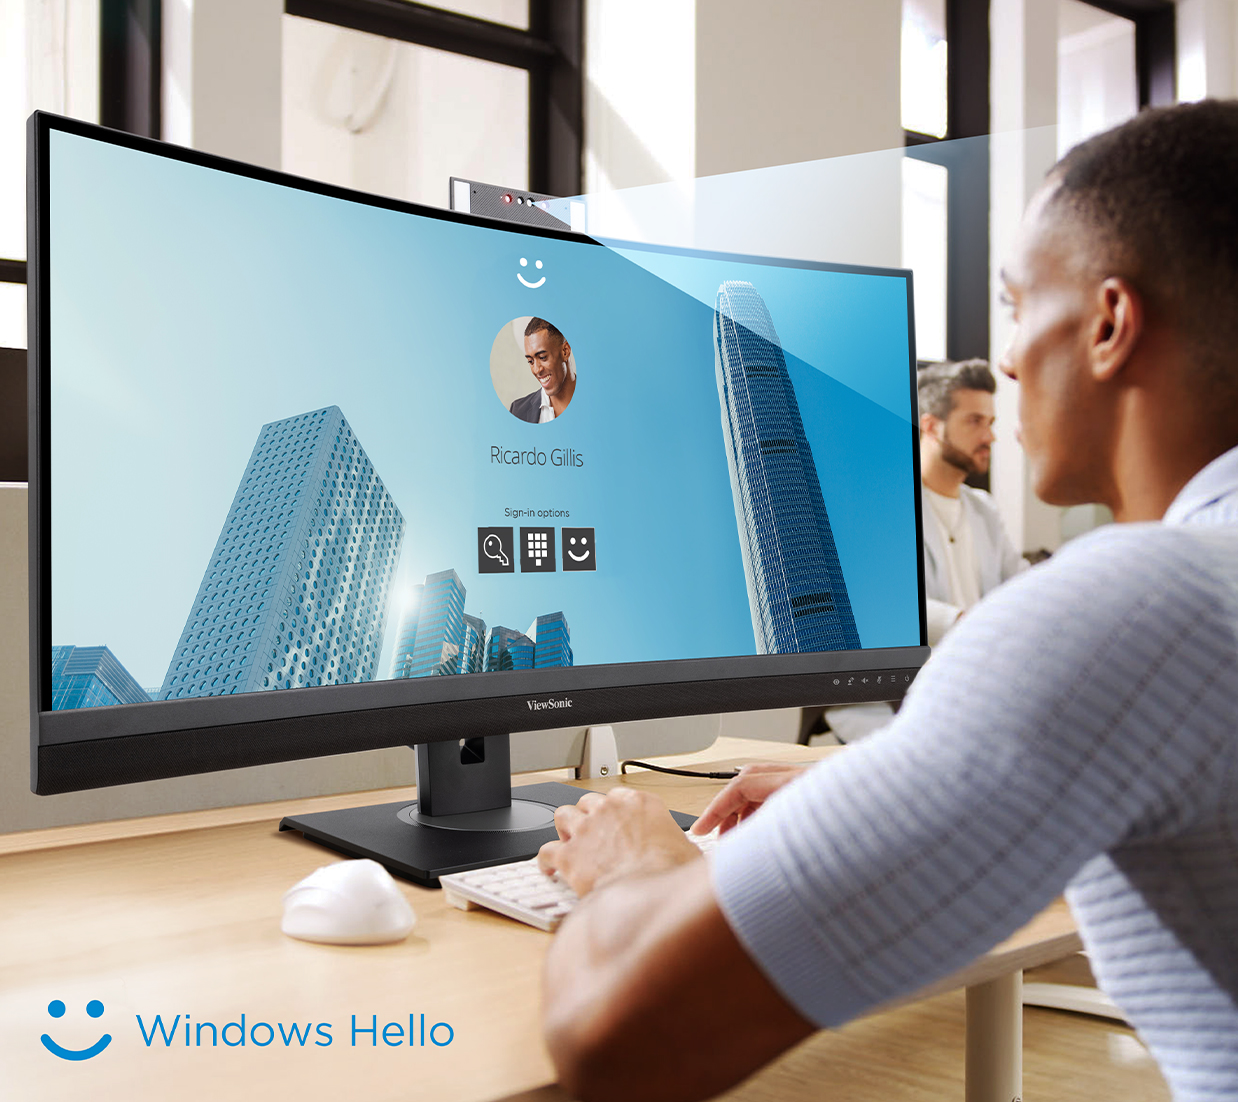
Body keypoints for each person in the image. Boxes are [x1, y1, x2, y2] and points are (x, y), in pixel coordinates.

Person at [536, 101, 1238, 1102]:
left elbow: (615, 1033)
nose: (1003, 359)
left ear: (1107, 322)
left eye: (1013, 303)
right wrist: (878, 794)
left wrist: (637, 862)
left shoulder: (1138, 601)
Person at [917, 359, 1028, 644]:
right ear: (930, 426)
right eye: (975, 421)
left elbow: (1021, 584)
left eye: (990, 423)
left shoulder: (984, 508)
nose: (989, 437)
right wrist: (964, 623)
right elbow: (887, 603)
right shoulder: (892, 508)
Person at [510, 317, 575, 423]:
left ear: (565, 351)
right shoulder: (517, 411)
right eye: (531, 361)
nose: (536, 370)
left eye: (542, 357)